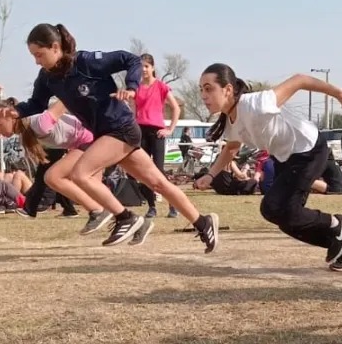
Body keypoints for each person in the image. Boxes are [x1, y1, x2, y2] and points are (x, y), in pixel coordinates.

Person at [15, 23, 218, 251]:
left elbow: (130, 59)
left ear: (55, 47)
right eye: (33, 56)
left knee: (81, 174)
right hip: (107, 135)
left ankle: (125, 218)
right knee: (158, 183)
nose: (36, 61)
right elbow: (36, 104)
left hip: (121, 128)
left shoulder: (86, 62)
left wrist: (131, 87)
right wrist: (15, 111)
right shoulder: (47, 77)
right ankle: (203, 222)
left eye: (39, 54)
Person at [194, 64, 342, 270]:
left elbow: (300, 80)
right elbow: (231, 149)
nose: (203, 95)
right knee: (279, 215)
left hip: (308, 149)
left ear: (227, 89)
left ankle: (336, 224)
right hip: (286, 159)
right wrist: (210, 176)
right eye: (201, 89)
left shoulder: (257, 103)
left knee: (274, 207)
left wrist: (337, 93)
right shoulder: (230, 121)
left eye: (209, 88)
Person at [0, 99, 116, 232]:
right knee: (94, 190)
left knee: (53, 177)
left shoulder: (40, 123)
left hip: (91, 139)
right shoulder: (25, 128)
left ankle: (98, 211)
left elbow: (66, 99)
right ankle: (124, 218)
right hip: (86, 142)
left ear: (12, 118)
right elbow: (2, 131)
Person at [134, 53, 182, 219]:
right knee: (144, 172)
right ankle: (151, 206)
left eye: (146, 66)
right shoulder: (137, 87)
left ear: (152, 67)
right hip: (141, 131)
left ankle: (172, 204)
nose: (144, 70)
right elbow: (134, 111)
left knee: (159, 171)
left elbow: (176, 108)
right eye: (141, 67)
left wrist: (170, 129)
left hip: (157, 132)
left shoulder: (161, 86)